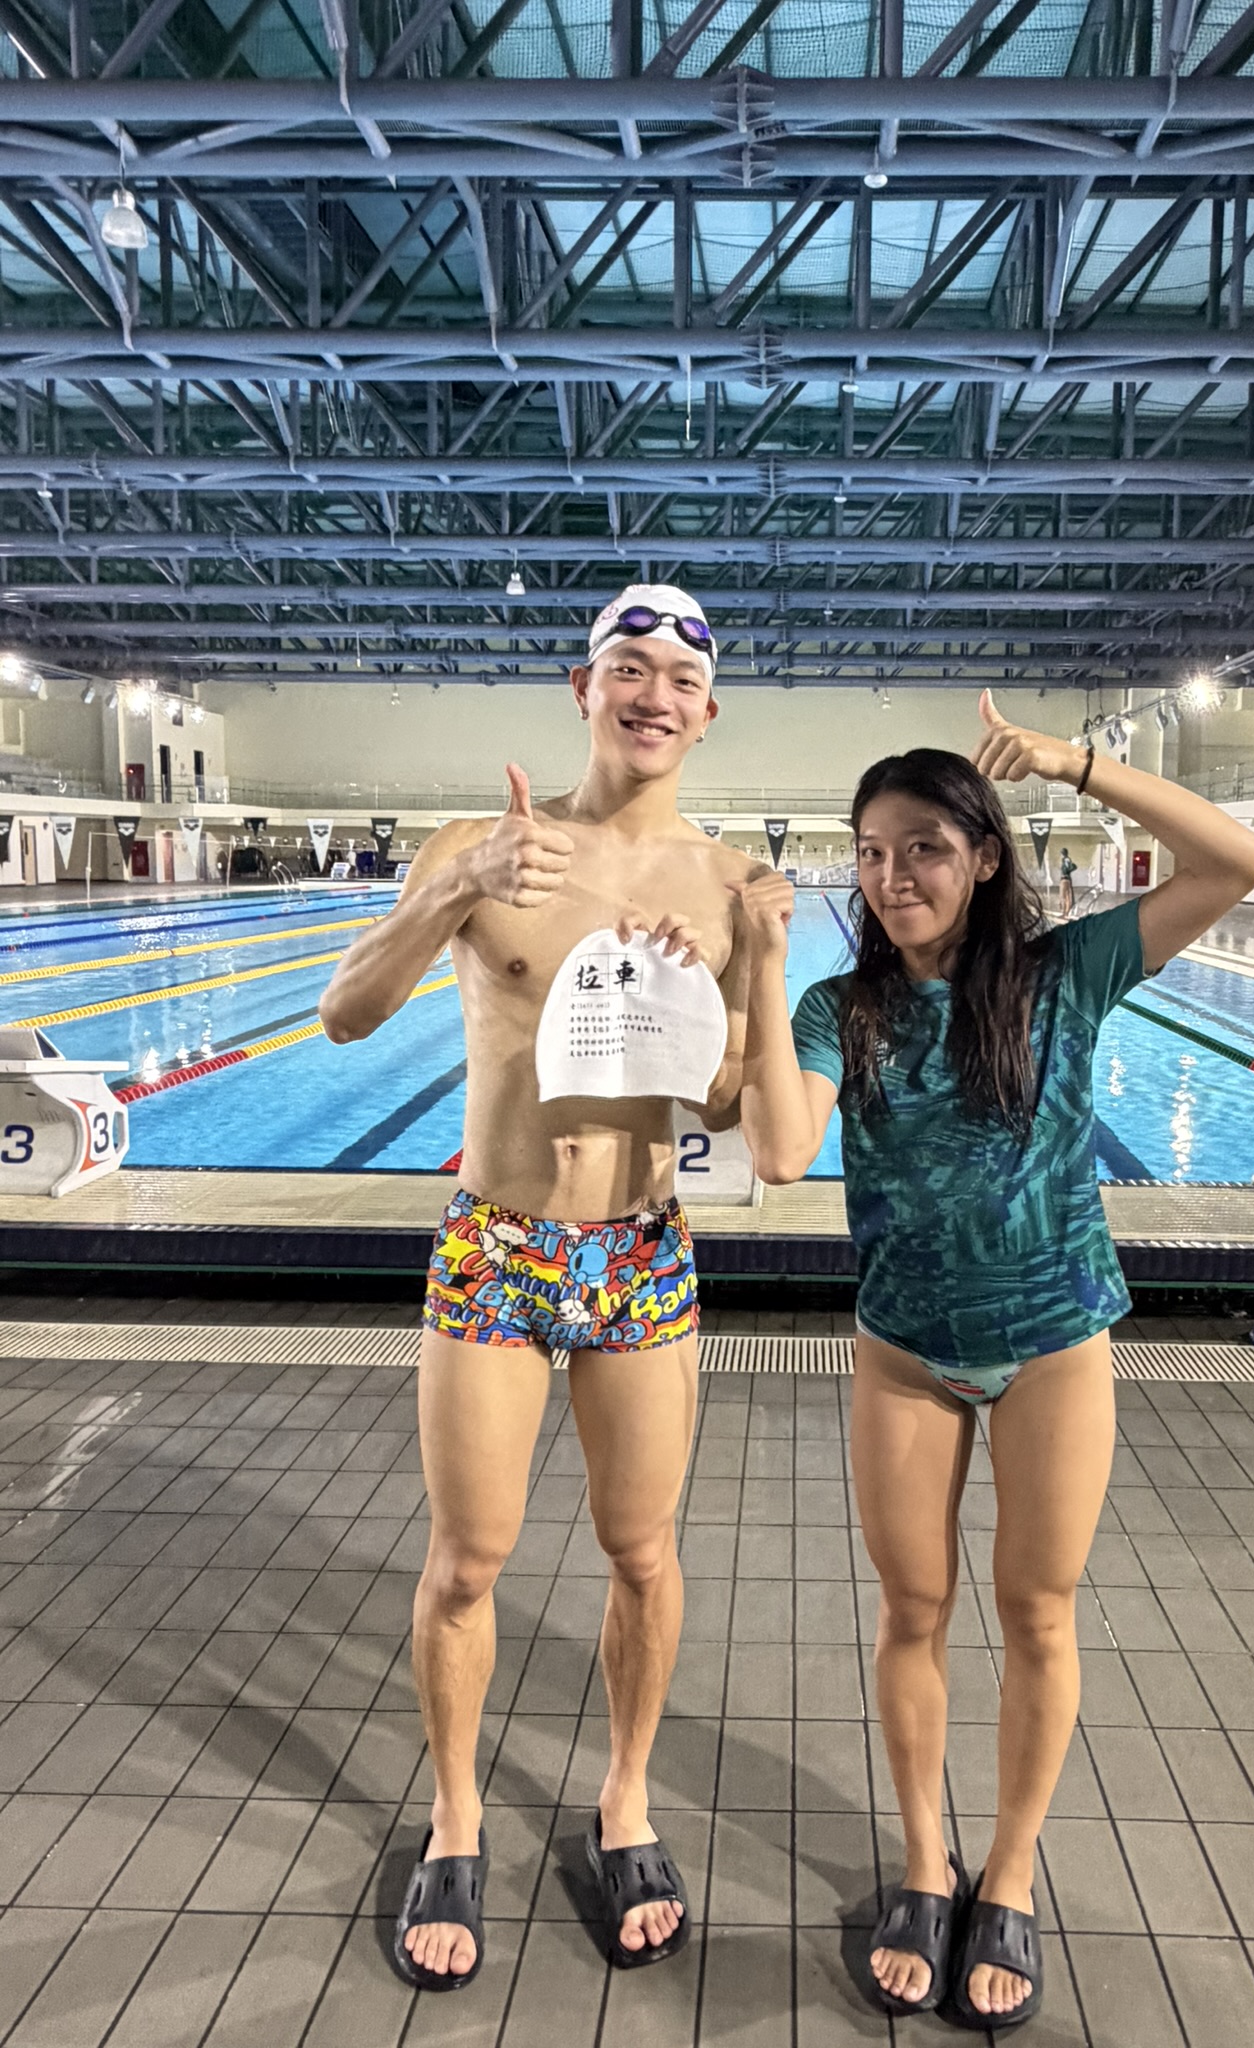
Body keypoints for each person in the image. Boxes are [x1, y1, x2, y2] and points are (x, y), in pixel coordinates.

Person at [729, 693, 1254, 2030]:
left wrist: (1077, 762)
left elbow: (1240, 860)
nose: (891, 875)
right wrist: (760, 964)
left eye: (923, 846)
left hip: (1054, 1343)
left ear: (982, 855)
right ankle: (927, 1862)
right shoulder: (843, 1006)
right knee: (912, 1609)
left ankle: (1011, 1870)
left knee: (1037, 1611)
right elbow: (780, 1152)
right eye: (870, 851)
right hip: (905, 1350)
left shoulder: (1065, 974)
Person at [320, 585, 762, 1990]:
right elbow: (345, 1012)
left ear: (707, 712)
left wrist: (714, 996)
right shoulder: (479, 843)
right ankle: (455, 1818)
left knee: (644, 1552)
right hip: (496, 1240)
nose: (651, 694)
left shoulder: (729, 881)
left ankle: (624, 1800)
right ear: (584, 688)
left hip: (637, 1247)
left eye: (677, 679)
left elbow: (735, 1102)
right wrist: (456, 889)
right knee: (467, 1560)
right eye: (627, 667)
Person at [1057, 846, 1077, 918]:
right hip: (1068, 879)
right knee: (1067, 896)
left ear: (1062, 854)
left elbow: (1067, 868)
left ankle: (1064, 912)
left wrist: (1065, 871)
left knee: (1063, 896)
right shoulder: (1067, 859)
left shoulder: (1065, 859)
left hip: (1064, 879)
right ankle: (1066, 913)